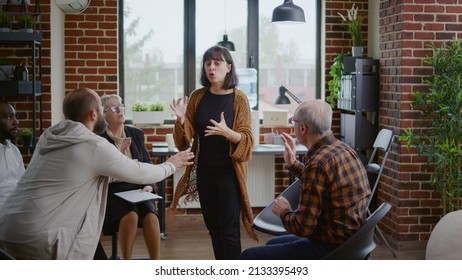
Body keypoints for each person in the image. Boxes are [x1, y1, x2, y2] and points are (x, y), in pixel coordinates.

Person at [0, 88, 194, 260]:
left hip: (10, 228)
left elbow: (87, 173)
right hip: (39, 237)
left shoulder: (50, 136)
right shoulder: (92, 145)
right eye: (103, 109)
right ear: (94, 114)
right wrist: (172, 164)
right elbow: (140, 172)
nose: (105, 112)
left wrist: (120, 161)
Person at [240, 99, 371, 260]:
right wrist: (293, 163)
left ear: (302, 128)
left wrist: (284, 211)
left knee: (248, 256)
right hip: (352, 242)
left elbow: (302, 227)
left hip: (331, 248)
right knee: (271, 244)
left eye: (293, 121)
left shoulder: (317, 164)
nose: (292, 124)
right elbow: (323, 181)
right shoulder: (343, 149)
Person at [170, 45, 256, 260]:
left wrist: (228, 133)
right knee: (214, 230)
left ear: (228, 67)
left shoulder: (239, 99)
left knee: (229, 232)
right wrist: (181, 120)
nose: (211, 67)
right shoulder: (198, 97)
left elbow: (247, 140)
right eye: (208, 63)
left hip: (229, 174)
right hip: (205, 172)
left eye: (217, 63)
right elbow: (184, 141)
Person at [99, 94, 161, 260]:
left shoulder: (136, 134)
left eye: (120, 105)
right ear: (104, 114)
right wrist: (119, 154)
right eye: (113, 108)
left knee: (150, 215)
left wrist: (149, 185)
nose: (120, 109)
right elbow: (104, 171)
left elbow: (147, 164)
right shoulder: (100, 139)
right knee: (130, 215)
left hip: (138, 187)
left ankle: (156, 264)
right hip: (114, 189)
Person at [0, 102, 25, 208]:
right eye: (9, 117)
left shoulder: (14, 151)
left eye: (15, 117)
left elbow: (23, 186)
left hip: (16, 213)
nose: (16, 122)